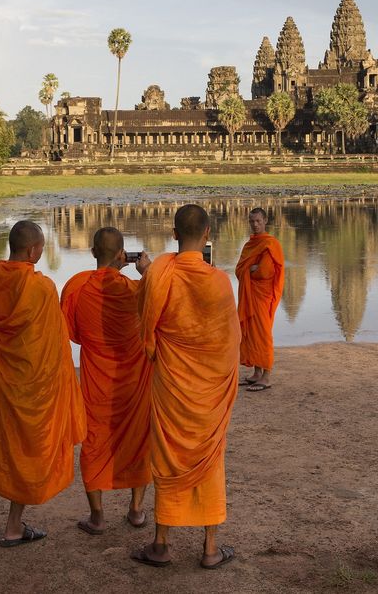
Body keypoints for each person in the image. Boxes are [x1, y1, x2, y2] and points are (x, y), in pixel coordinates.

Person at [132, 204, 240, 570]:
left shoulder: (160, 272)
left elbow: (144, 316)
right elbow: (230, 342)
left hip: (172, 384)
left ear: (174, 234)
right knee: (210, 459)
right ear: (208, 234)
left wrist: (147, 274)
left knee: (167, 455)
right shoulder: (220, 282)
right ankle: (210, 548)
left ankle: (161, 543)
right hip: (208, 390)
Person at [0, 220, 86, 547]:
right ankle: (13, 526)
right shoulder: (41, 288)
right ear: (34, 250)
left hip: (1, 376)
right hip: (32, 384)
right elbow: (55, 342)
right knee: (27, 449)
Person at [60, 227, 152, 535]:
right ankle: (136, 510)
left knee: (95, 441)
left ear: (92, 252)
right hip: (135, 381)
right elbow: (157, 315)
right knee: (139, 440)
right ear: (122, 255)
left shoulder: (76, 287)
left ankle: (97, 516)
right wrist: (146, 273)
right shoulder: (135, 289)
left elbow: (72, 333)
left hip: (97, 380)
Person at [236, 207, 285, 392]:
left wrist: (252, 269)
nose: (255, 225)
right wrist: (250, 269)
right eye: (252, 221)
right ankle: (257, 372)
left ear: (265, 221)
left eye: (258, 221)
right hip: (250, 296)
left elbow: (265, 272)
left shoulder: (271, 244)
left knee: (263, 334)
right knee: (252, 333)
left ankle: (266, 376)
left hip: (262, 297)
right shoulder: (250, 245)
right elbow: (239, 269)